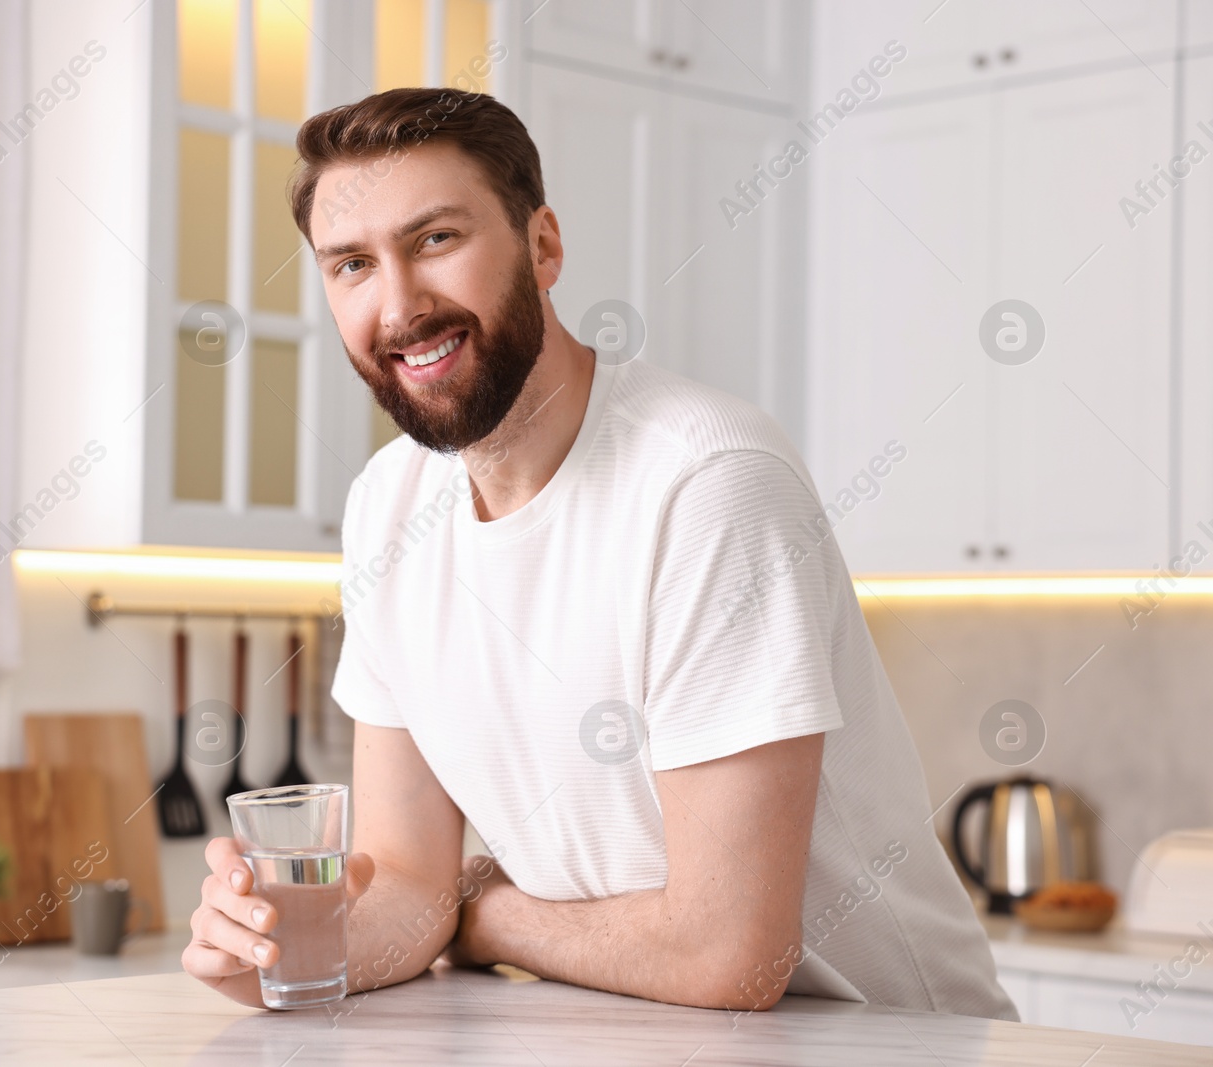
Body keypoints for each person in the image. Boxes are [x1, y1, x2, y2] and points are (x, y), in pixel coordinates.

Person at [182, 85, 1017, 1021]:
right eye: (351, 266)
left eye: (435, 241)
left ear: (543, 247)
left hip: (895, 1043)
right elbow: (414, 885)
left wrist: (488, 914)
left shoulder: (705, 483)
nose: (399, 305)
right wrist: (282, 948)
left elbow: (726, 957)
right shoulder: (387, 507)